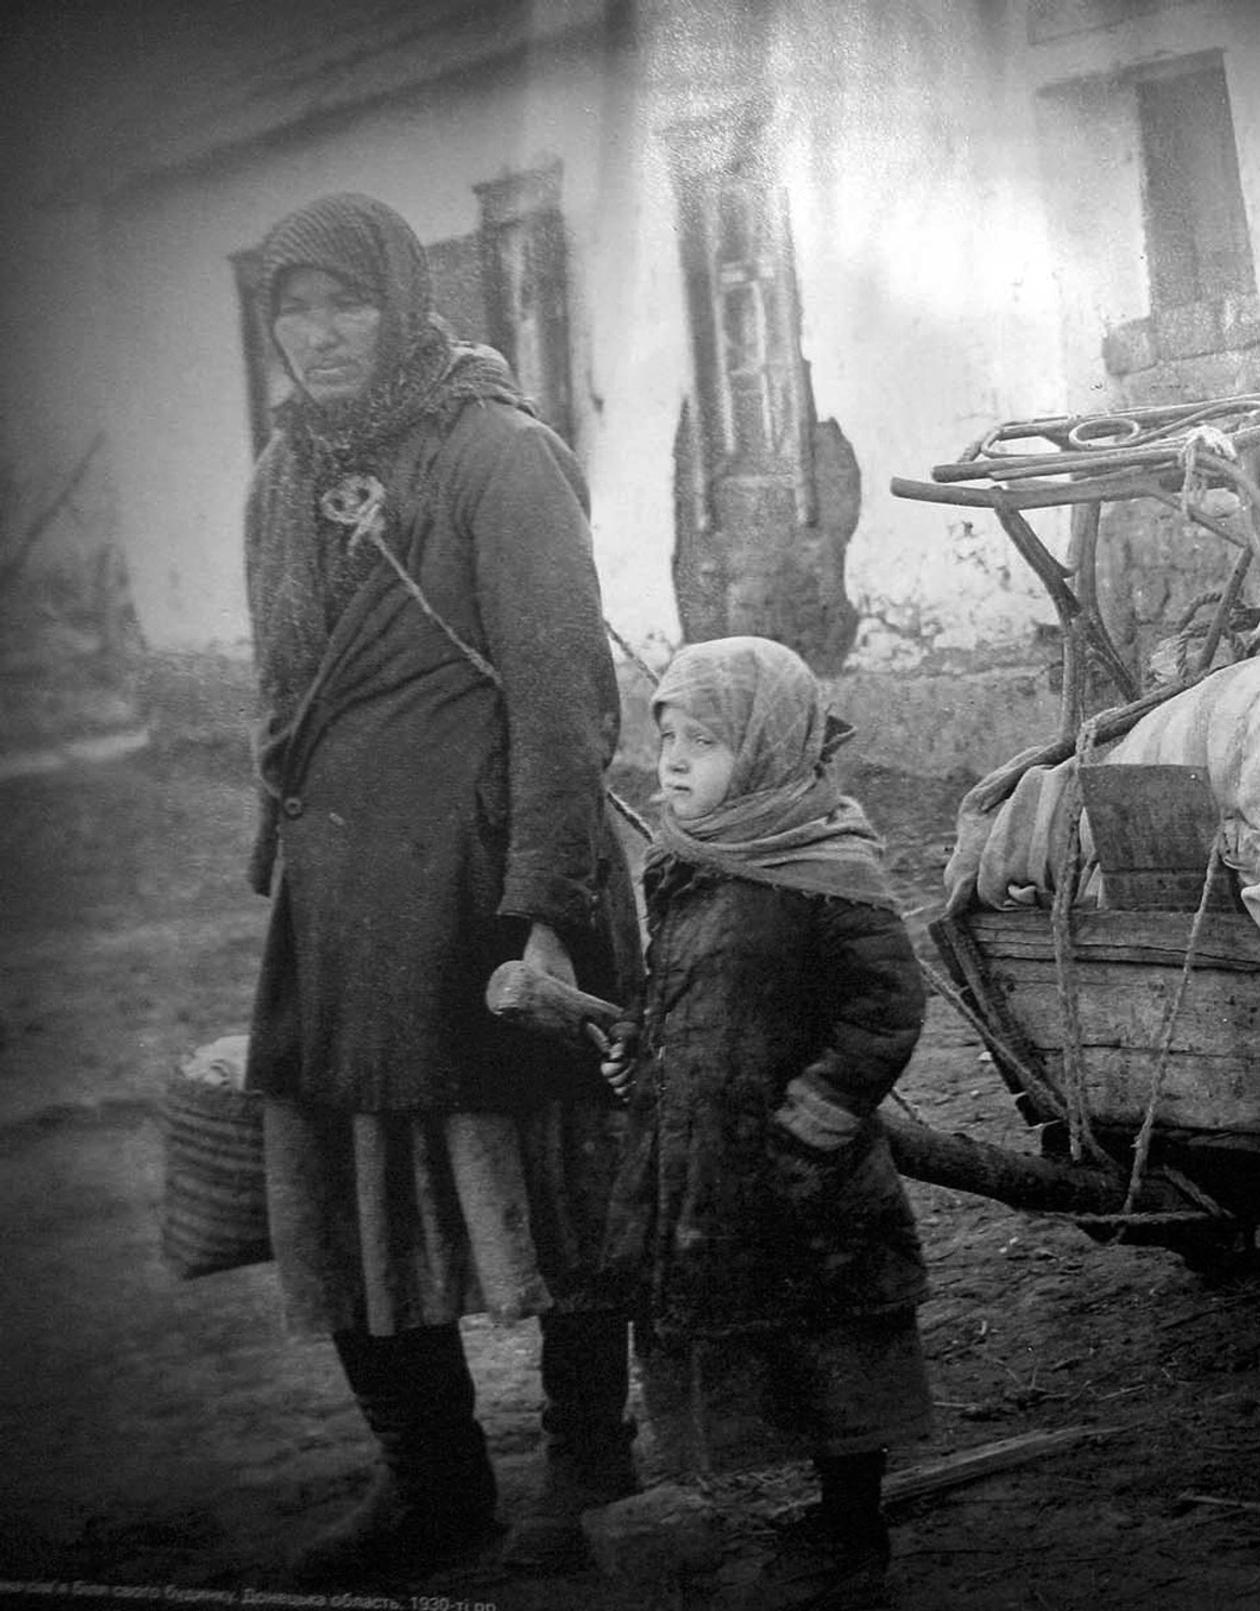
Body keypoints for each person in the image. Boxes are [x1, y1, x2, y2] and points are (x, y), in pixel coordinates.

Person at [240, 192, 640, 1584]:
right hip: (347, 898)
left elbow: (564, 698)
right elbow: (283, 680)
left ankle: (589, 1460)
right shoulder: (282, 475)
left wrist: (548, 908)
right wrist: (283, 848)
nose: (318, 332)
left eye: (345, 301)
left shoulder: (499, 453)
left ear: (404, 303)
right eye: (293, 307)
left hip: (487, 884)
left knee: (557, 1176)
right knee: (348, 1193)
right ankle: (434, 1484)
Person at [599, 636, 932, 1611]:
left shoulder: (826, 865)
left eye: (703, 742)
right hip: (710, 1156)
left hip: (801, 1164)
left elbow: (886, 1005)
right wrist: (641, 1046)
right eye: (667, 737)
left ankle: (852, 1525)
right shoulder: (687, 858)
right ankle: (810, 1511)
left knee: (834, 1339)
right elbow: (680, 987)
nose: (672, 763)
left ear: (769, 749)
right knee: (756, 1327)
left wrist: (818, 1114)